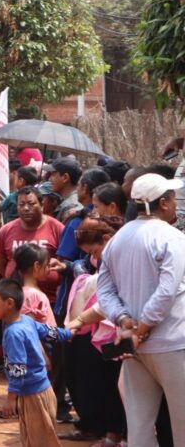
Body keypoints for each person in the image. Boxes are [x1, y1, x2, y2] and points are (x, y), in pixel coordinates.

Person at [96, 173, 185, 447]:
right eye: (172, 197)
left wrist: (125, 322)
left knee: (139, 426)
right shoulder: (172, 237)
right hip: (173, 342)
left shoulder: (118, 239)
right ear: (165, 203)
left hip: (134, 347)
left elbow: (105, 291)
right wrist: (143, 326)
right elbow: (167, 290)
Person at [62, 214, 127, 446]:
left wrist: (77, 321)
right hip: (108, 334)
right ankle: (115, 435)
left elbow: (104, 305)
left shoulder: (123, 261)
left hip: (126, 334)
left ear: (107, 239)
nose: (94, 258)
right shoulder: (111, 260)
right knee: (111, 386)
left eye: (95, 252)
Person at [0, 279, 73, 447]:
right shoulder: (26, 321)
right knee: (35, 439)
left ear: (9, 303)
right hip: (41, 391)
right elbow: (50, 332)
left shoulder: (13, 332)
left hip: (33, 395)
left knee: (40, 441)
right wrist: (69, 333)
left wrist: (11, 400)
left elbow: (18, 369)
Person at [0, 187, 63, 303]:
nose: (26, 208)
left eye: (31, 204)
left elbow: (64, 262)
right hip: (16, 301)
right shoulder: (6, 230)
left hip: (49, 301)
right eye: (21, 204)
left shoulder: (57, 228)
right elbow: (1, 263)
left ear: (41, 205)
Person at [13, 243, 56, 326]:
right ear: (36, 266)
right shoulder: (32, 294)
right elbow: (29, 328)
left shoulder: (26, 292)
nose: (49, 269)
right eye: (47, 265)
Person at [49, 157, 84, 222]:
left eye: (53, 175)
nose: (50, 179)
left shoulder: (70, 205)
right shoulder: (66, 201)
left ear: (65, 177)